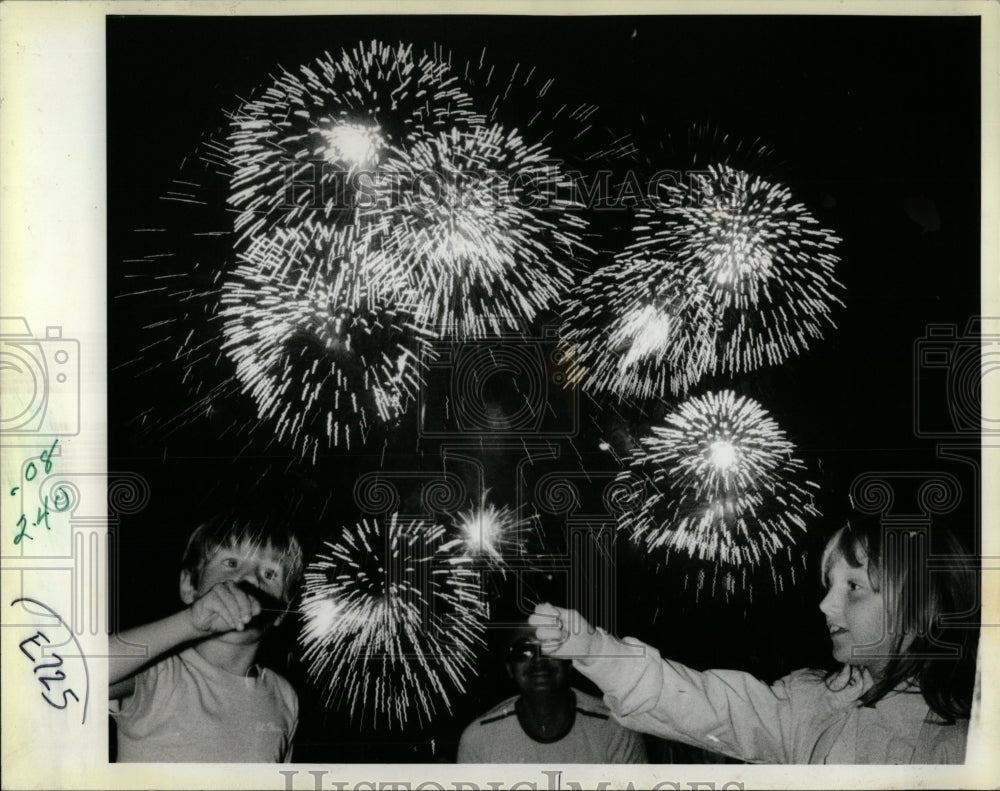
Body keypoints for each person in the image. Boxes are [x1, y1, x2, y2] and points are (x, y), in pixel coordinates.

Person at [529, 519, 978, 764]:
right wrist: (593, 648)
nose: (824, 605)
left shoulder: (967, 747)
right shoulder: (815, 705)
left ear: (921, 606)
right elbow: (710, 706)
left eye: (853, 587)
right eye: (828, 584)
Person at [110, 518, 304, 762]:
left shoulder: (284, 696)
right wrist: (190, 622)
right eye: (231, 563)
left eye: (269, 573)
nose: (252, 579)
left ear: (282, 612)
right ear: (190, 586)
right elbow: (71, 671)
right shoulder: (159, 672)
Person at [457, 627, 647, 763]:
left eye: (551, 647)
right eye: (525, 650)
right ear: (509, 667)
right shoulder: (479, 739)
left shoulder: (614, 729)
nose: (539, 660)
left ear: (569, 660)